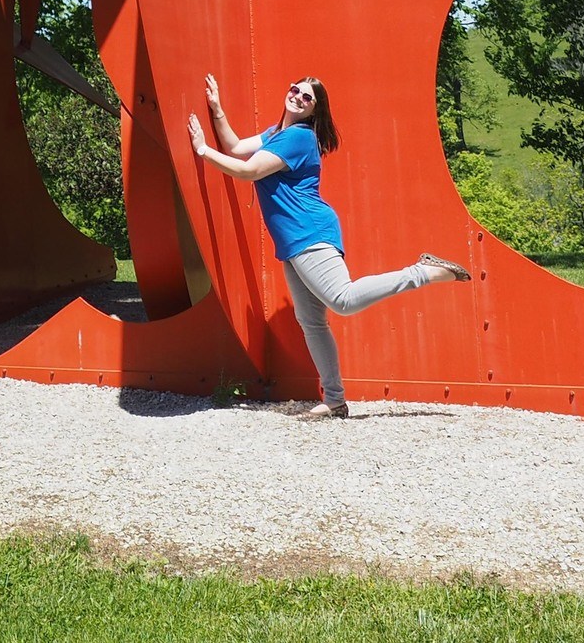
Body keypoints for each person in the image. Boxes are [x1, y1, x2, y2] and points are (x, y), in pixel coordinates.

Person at [186, 72, 470, 418]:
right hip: (293, 241)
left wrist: (201, 150)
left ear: (313, 112)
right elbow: (235, 148)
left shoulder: (299, 139)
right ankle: (335, 400)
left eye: (307, 98)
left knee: (343, 300)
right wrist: (217, 110)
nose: (298, 98)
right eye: (295, 90)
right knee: (312, 322)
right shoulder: (276, 134)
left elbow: (248, 171)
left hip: (310, 232)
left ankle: (421, 272)